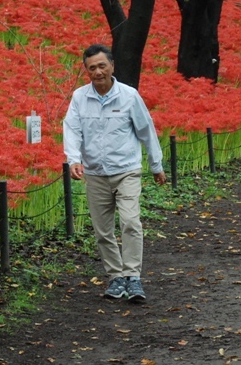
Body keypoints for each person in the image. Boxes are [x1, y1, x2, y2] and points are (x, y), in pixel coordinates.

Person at [63, 44, 166, 302]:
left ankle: (133, 276)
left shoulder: (129, 96)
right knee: (103, 230)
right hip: (95, 174)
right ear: (86, 70)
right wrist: (74, 160)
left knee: (131, 222)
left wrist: (156, 166)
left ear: (112, 66)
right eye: (92, 68)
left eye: (102, 66)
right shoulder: (79, 97)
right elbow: (72, 129)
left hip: (126, 171)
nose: (98, 72)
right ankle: (115, 277)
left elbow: (146, 130)